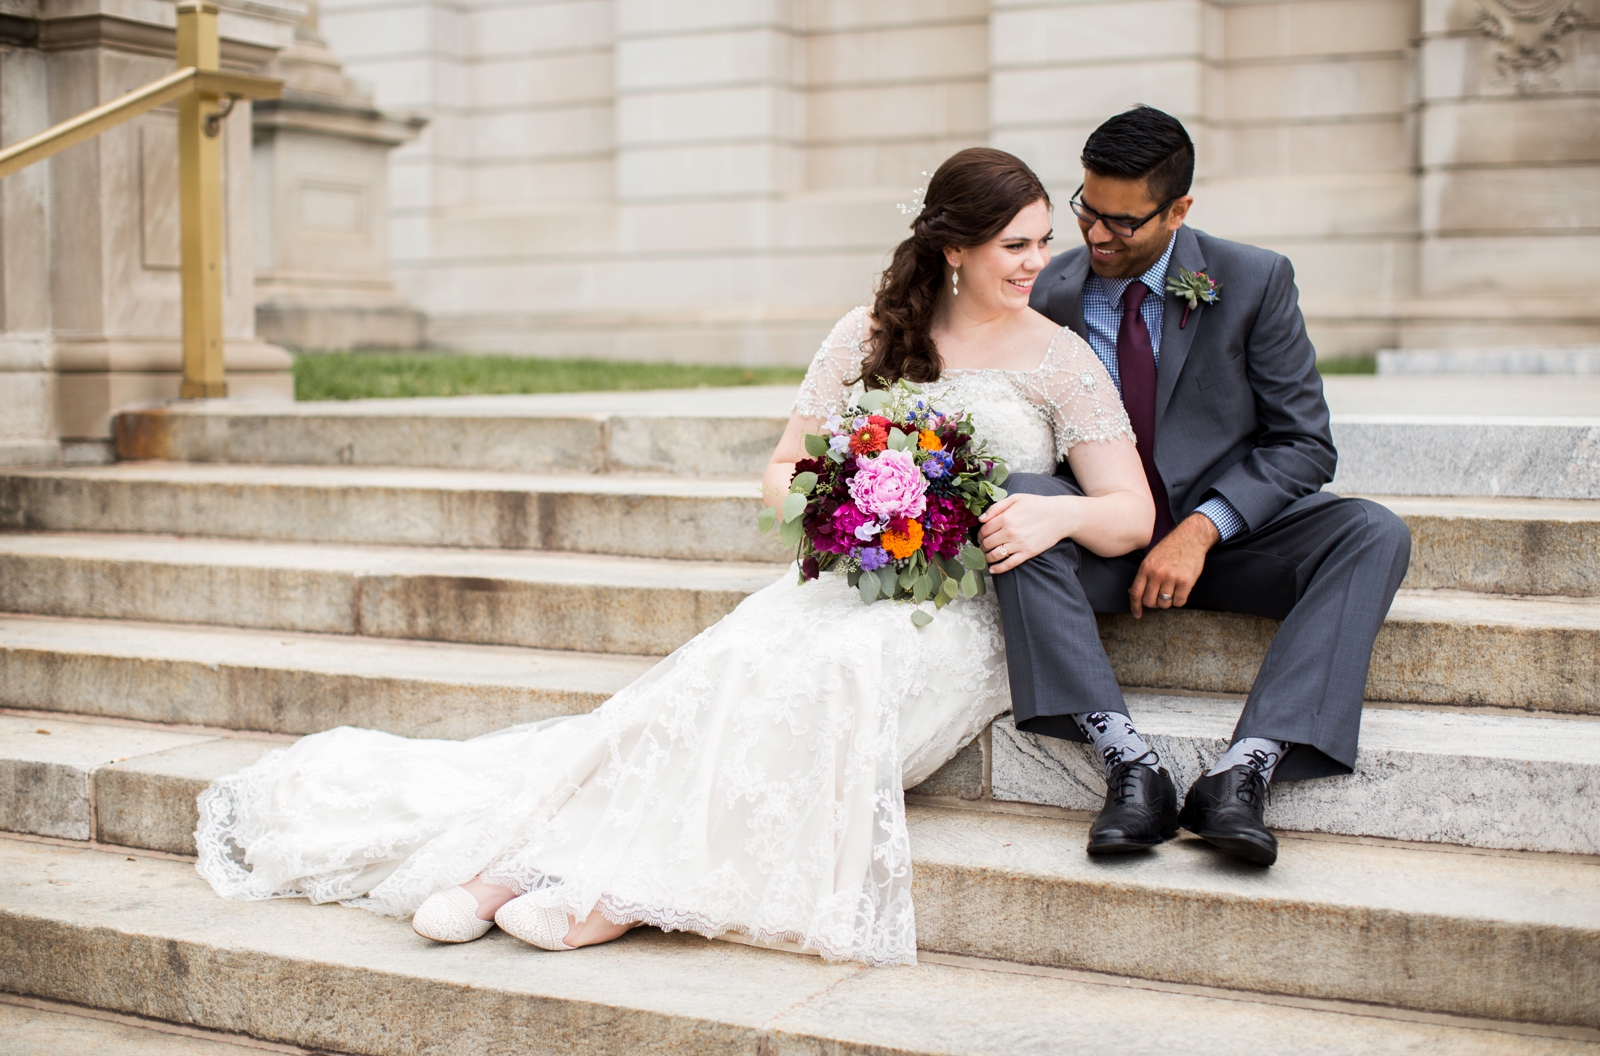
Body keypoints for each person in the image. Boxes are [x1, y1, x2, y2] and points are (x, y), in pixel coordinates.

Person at [193, 148, 1155, 965]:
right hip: (849, 578)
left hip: (963, 611)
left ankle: (614, 891)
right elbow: (783, 469)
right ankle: (505, 865)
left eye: (1042, 242)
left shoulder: (1057, 357)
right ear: (955, 248)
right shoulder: (870, 334)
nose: (1038, 262)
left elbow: (1131, 513)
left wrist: (1053, 521)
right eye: (1015, 245)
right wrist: (844, 507)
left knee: (831, 680)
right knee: (728, 668)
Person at [996, 106, 1412, 867]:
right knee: (1024, 499)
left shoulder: (1253, 279)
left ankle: (1243, 770)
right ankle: (1129, 765)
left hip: (1231, 540)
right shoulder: (1047, 290)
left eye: (1123, 222)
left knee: (1374, 531)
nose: (1095, 235)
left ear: (1180, 209)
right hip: (1107, 541)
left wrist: (1204, 526)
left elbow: (1304, 443)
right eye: (1088, 209)